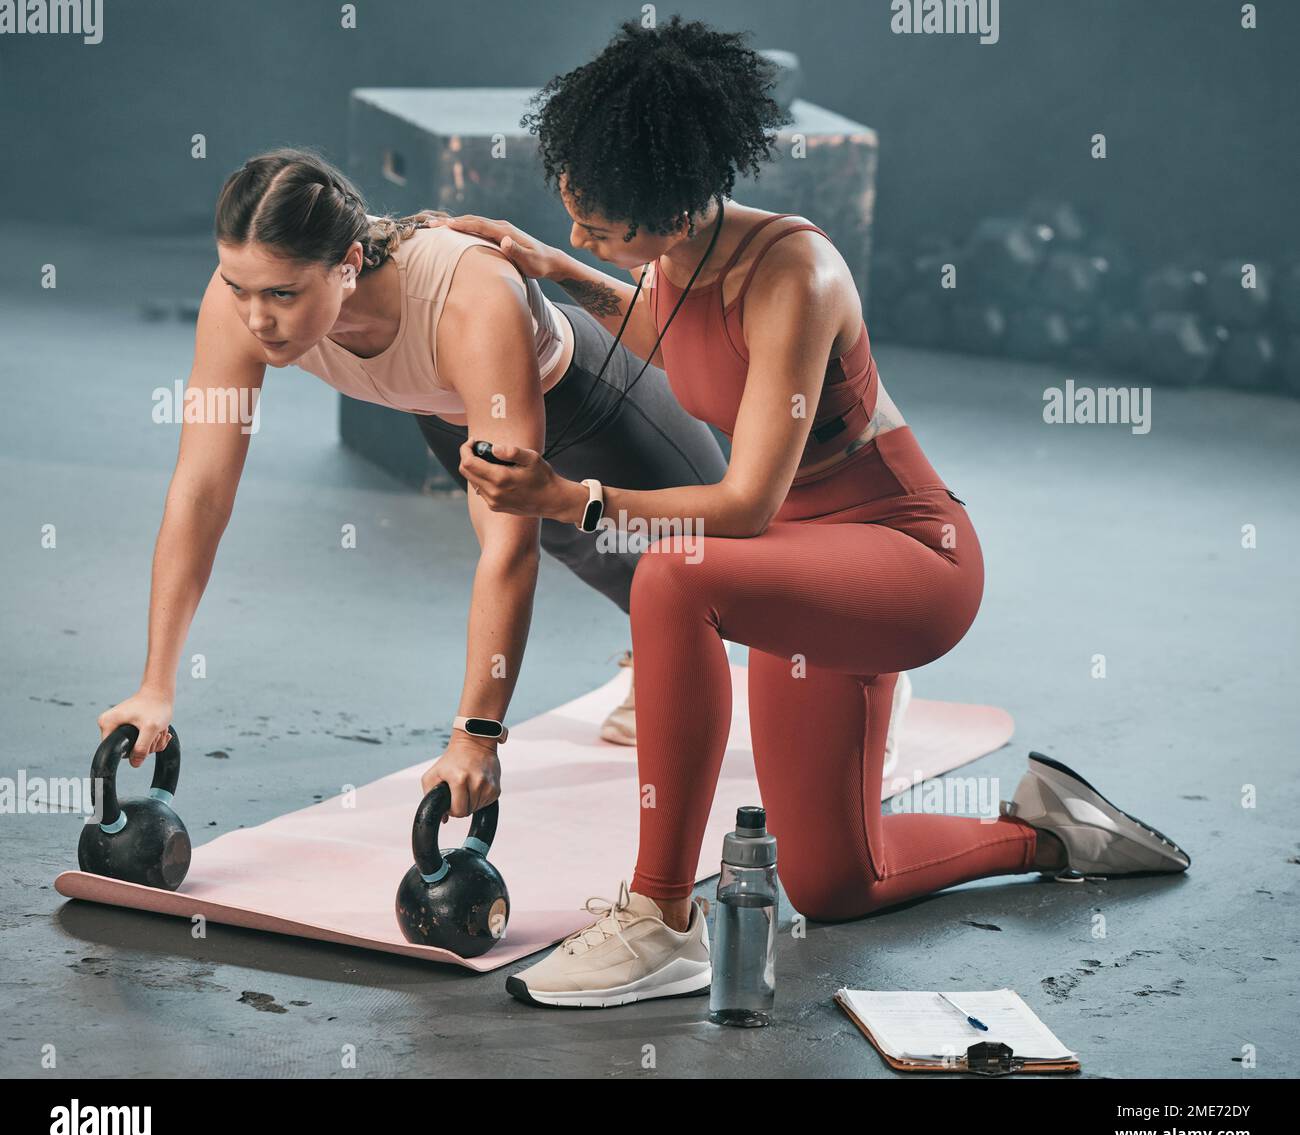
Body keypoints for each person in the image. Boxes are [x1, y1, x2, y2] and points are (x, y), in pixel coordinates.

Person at [441, 16, 1189, 1008]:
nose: (587, 236)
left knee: (673, 572)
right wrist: (560, 269)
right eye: (574, 218)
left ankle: (661, 918)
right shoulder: (674, 262)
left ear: (673, 201)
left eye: (601, 227)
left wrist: (571, 497)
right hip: (809, 569)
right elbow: (681, 339)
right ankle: (1053, 827)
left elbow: (744, 505)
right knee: (834, 884)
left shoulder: (794, 274)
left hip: (904, 557)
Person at [94, 146, 731, 798]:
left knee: (733, 574)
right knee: (604, 561)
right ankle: (658, 650)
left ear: (346, 267)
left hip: (599, 402)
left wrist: (476, 738)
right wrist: (155, 686)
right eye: (239, 288)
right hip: (452, 415)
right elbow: (200, 492)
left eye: (282, 294)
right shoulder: (238, 308)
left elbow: (509, 550)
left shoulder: (467, 299)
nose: (256, 318)